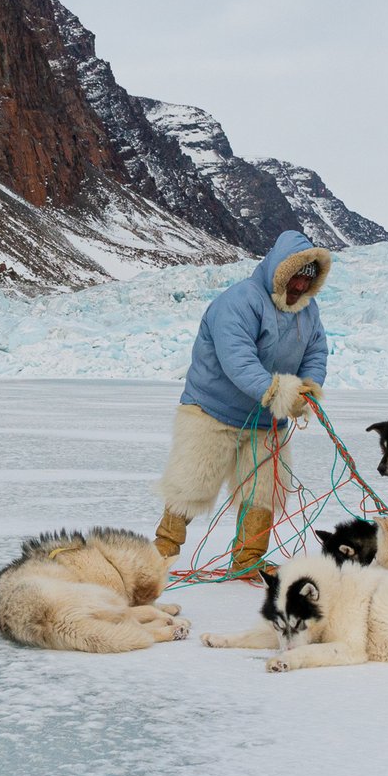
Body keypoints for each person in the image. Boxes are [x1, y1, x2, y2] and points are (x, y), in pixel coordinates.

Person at [153, 229, 332, 575]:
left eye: (306, 281)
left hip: (266, 420)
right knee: (191, 484)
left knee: (263, 491)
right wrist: (279, 392)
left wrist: (308, 388)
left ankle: (248, 560)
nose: (299, 288)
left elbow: (316, 352)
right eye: (294, 278)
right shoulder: (239, 301)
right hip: (212, 411)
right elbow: (238, 359)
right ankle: (162, 552)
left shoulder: (309, 312)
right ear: (280, 271)